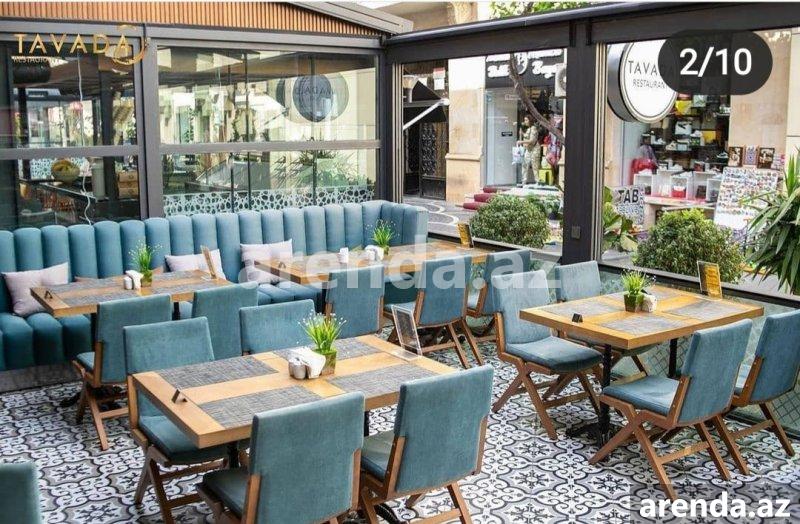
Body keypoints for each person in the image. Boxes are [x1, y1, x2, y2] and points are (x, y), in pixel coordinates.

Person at [517, 114, 541, 184]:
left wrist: (521, 142)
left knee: (535, 166)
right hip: (528, 149)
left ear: (530, 120)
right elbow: (526, 136)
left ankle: (537, 181)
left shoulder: (533, 128)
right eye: (524, 120)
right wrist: (522, 133)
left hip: (534, 149)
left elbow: (532, 140)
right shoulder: (528, 129)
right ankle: (524, 181)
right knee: (524, 165)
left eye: (526, 120)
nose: (525, 121)